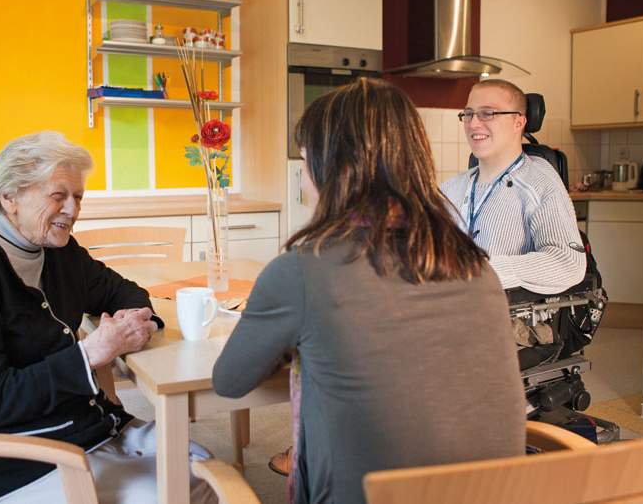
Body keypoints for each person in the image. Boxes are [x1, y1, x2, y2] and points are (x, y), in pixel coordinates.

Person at [212, 78, 526, 504]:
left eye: (305, 163)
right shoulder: (475, 264)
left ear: (332, 169)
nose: (303, 184)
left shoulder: (303, 272)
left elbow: (229, 381)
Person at [0, 131, 215, 504]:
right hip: (0, 463)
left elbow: (121, 289)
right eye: (58, 196)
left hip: (76, 428)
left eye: (77, 198)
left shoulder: (57, 249)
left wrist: (137, 322)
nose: (73, 211)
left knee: (205, 468)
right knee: (174, 492)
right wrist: (91, 354)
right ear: (9, 198)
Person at [440, 79, 586, 294]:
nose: (473, 124)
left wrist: (482, 270)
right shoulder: (451, 188)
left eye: (487, 113)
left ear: (519, 122)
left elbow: (567, 263)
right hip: (451, 309)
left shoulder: (539, 182)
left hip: (508, 319)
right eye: (468, 114)